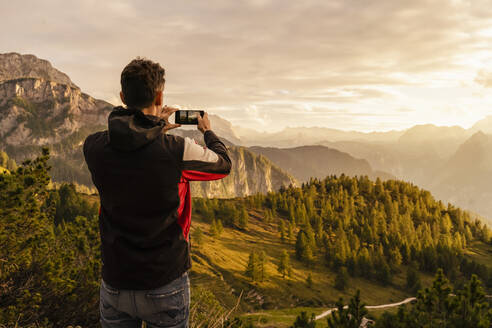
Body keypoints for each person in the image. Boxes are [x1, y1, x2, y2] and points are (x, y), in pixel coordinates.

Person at [83, 57, 232, 328]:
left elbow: (130, 146)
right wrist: (207, 132)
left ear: (122, 96)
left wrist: (154, 128)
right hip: (164, 282)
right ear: (160, 95)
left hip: (115, 281)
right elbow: (223, 165)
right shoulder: (176, 150)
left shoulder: (94, 147)